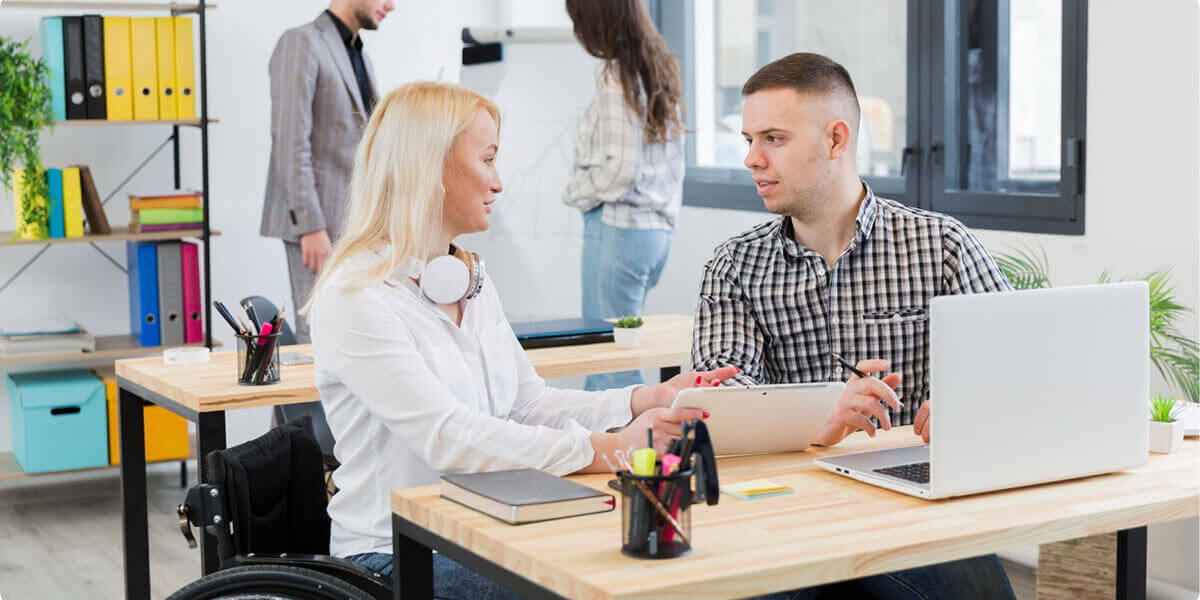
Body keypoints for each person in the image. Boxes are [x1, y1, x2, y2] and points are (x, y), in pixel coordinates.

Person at [302, 82, 736, 598]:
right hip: (393, 554)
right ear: (432, 167)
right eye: (487, 160)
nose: (499, 182)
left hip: (485, 523)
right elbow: (449, 436)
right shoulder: (357, 296)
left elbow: (526, 403)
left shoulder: (466, 277)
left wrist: (641, 399)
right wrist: (610, 449)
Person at [690, 53, 1015, 599]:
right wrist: (817, 416)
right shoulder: (733, 266)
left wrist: (970, 404)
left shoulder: (941, 245)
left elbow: (1018, 362)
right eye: (749, 139)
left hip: (915, 508)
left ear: (836, 140)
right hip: (785, 512)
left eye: (773, 138)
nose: (751, 158)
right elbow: (716, 400)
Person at [563, 0, 686, 391]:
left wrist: (576, 192)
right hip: (655, 233)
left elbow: (622, 169)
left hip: (618, 231)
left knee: (609, 359)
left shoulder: (615, 74)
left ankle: (626, 450)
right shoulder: (656, 67)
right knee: (620, 350)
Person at [260, 0, 393, 342]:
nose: (390, 6)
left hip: (356, 224)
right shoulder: (301, 43)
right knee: (319, 334)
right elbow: (290, 143)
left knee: (356, 332)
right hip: (318, 226)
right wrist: (311, 227)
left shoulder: (357, 52)